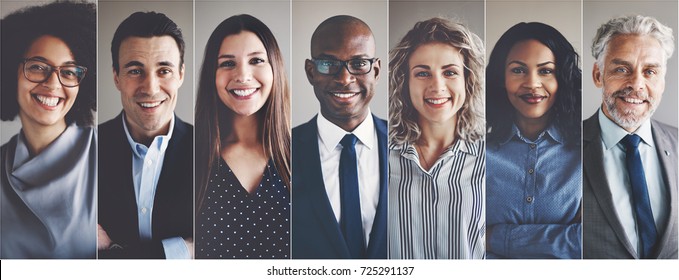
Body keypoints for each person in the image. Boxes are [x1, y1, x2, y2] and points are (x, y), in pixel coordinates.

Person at [0, 1, 97, 259]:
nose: (53, 83)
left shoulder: (109, 153)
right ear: (11, 72)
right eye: (37, 67)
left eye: (69, 72)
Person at [97, 11, 193, 259]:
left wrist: (113, 252)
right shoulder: (82, 151)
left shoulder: (214, 151)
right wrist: (184, 250)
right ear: (116, 77)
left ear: (181, 74)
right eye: (135, 70)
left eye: (164, 71)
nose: (150, 88)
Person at [194, 14, 290, 259]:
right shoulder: (190, 155)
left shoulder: (308, 154)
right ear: (211, 75)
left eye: (256, 60)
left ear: (274, 68)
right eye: (228, 63)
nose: (243, 76)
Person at [388, 17, 485, 259]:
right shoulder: (377, 156)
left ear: (467, 80)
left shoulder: (493, 157)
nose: (437, 86)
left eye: (450, 72)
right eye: (422, 73)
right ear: (405, 83)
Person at [292, 15, 387, 259]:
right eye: (328, 63)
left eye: (358, 64)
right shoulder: (278, 151)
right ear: (310, 72)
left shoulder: (409, 144)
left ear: (376, 71)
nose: (345, 79)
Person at [583, 15, 677, 259]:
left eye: (650, 71)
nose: (637, 84)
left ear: (662, 82)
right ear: (597, 75)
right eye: (622, 69)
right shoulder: (566, 146)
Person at [485, 22, 582, 259]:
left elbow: (583, 242)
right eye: (518, 70)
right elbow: (463, 237)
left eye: (545, 71)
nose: (532, 84)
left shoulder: (587, 151)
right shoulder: (477, 153)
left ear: (563, 78)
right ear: (501, 78)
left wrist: (494, 238)